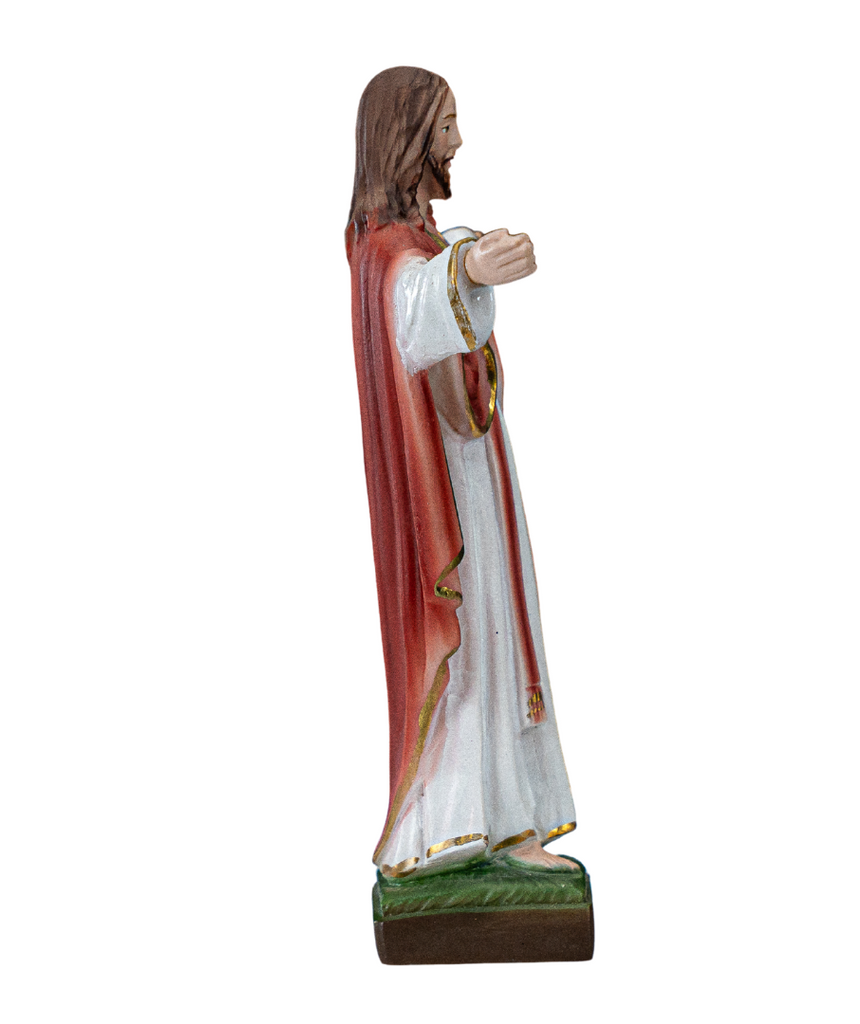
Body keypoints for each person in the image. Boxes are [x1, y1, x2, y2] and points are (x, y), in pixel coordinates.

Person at [346, 67, 578, 878]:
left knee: (499, 631)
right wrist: (469, 269)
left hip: (475, 469)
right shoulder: (383, 249)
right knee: (473, 638)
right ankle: (454, 825)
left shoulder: (417, 241)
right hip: (443, 486)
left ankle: (510, 819)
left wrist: (467, 253)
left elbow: (436, 282)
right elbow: (412, 312)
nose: (458, 142)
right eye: (446, 127)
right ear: (409, 138)